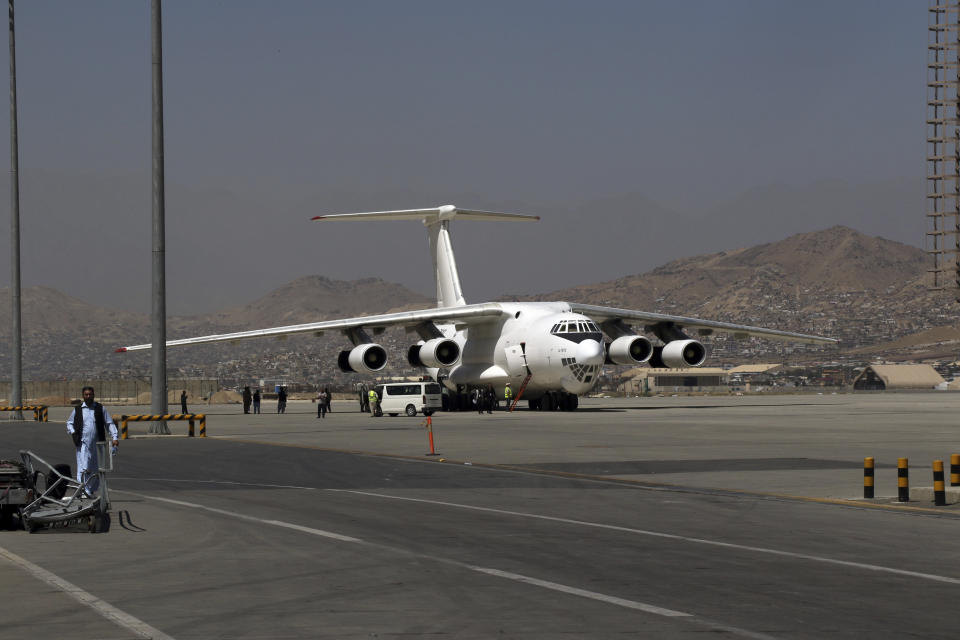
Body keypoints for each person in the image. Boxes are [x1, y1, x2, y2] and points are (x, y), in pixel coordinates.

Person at [66, 386, 119, 494]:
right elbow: (69, 423)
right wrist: (73, 432)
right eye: (86, 394)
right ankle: (84, 490)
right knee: (84, 467)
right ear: (83, 396)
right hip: (83, 443)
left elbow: (109, 424)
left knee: (95, 468)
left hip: (97, 444)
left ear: (93, 395)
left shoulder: (100, 408)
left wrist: (114, 437)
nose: (88, 396)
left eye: (90, 394)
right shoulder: (78, 409)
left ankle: (90, 490)